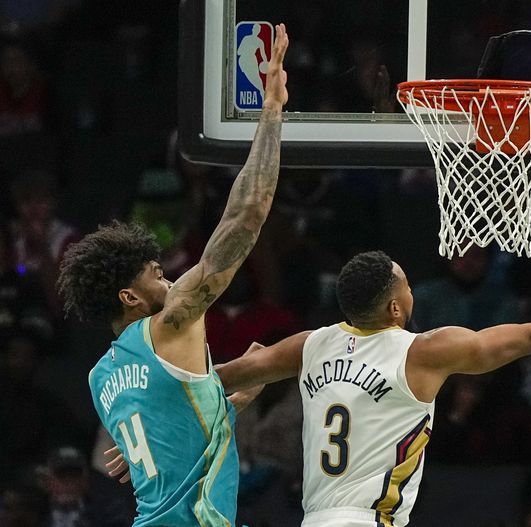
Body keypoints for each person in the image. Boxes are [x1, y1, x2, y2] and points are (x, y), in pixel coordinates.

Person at [216, 242, 531, 527]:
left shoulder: (309, 345)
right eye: (405, 285)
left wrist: (149, 400)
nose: (413, 290)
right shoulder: (422, 351)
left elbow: (216, 377)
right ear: (396, 310)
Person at [55, 23, 289, 526]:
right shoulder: (173, 323)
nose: (163, 271)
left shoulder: (101, 380)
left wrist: (240, 389)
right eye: (151, 271)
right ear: (129, 296)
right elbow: (245, 216)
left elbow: (187, 423)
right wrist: (272, 112)